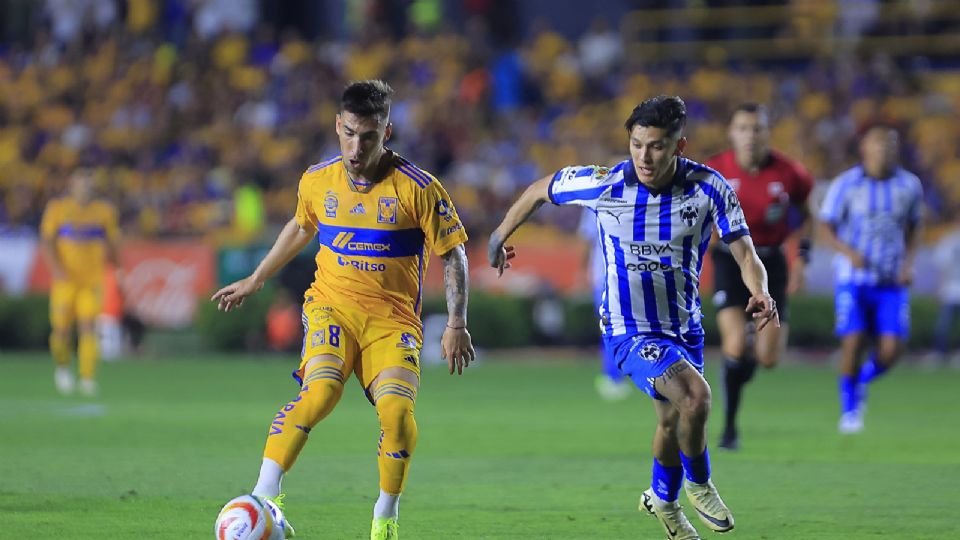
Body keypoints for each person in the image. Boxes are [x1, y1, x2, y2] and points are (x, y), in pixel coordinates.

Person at [489, 96, 778, 540]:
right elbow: (539, 190)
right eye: (637, 144)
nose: (644, 156)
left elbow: (743, 249)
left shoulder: (709, 187)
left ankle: (663, 501)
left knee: (670, 421)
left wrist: (759, 290)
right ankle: (699, 483)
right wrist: (498, 234)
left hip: (684, 326)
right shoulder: (604, 182)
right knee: (696, 399)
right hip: (628, 329)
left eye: (657, 146)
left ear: (679, 145)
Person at [212, 80, 475, 540]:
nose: (357, 147)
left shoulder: (420, 188)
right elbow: (300, 227)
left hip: (392, 322)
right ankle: (264, 495)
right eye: (349, 133)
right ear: (338, 125)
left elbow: (453, 254)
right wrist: (256, 280)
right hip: (331, 307)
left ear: (387, 132)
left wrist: (456, 323)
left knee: (396, 414)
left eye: (368, 136)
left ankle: (385, 516)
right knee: (322, 391)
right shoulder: (317, 180)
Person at [705, 103, 814, 450]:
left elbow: (806, 213)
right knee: (735, 344)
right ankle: (729, 428)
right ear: (732, 133)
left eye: (757, 129)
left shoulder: (789, 172)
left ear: (767, 132)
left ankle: (746, 358)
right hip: (729, 261)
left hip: (771, 262)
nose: (750, 136)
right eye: (743, 128)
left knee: (768, 358)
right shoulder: (715, 170)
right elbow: (697, 215)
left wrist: (802, 258)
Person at [818, 122, 923, 434]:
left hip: (891, 280)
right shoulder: (846, 184)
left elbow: (916, 226)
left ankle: (860, 380)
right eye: (879, 145)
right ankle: (849, 410)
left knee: (892, 351)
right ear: (865, 149)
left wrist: (909, 264)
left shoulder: (909, 185)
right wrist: (847, 253)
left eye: (890, 145)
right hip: (853, 278)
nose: (885, 151)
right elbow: (826, 226)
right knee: (852, 341)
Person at [40, 168, 121, 397]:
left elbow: (113, 243)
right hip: (65, 281)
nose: (86, 186)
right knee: (61, 331)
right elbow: (46, 241)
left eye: (89, 183)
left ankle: (87, 378)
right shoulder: (58, 209)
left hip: (92, 281)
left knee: (88, 327)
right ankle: (63, 368)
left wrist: (117, 268)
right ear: (72, 183)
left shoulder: (104, 211)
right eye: (82, 182)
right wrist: (56, 269)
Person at [578, 208, 631, 400]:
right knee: (610, 327)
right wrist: (583, 272)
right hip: (605, 277)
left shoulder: (595, 203)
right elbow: (587, 240)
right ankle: (612, 376)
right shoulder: (595, 203)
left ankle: (619, 374)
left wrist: (582, 271)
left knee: (621, 328)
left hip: (623, 276)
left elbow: (586, 240)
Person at [930, 216, 960, 366]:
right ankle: (940, 353)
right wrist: (940, 287)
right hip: (951, 288)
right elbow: (942, 267)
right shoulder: (949, 240)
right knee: (944, 324)